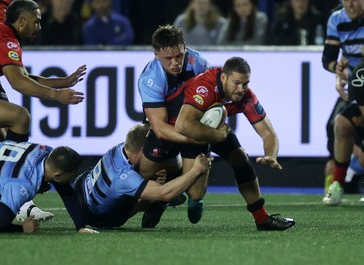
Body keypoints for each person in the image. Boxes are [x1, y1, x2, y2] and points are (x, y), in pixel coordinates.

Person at [0, 0, 83, 224]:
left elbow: (24, 77)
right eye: (36, 22)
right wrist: (57, 96)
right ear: (21, 22)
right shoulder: (5, 41)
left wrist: (63, 82)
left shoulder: (2, 35)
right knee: (20, 117)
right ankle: (18, 173)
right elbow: (19, 83)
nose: (39, 27)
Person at [173, 57, 295, 231]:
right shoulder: (205, 87)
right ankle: (167, 197)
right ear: (223, 78)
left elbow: (269, 133)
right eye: (237, 83)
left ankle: (262, 218)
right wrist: (216, 135)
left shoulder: (246, 96)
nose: (241, 89)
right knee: (195, 193)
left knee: (240, 158)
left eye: (245, 84)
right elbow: (184, 125)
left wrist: (271, 155)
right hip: (188, 132)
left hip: (214, 130)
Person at [137, 24, 211, 227]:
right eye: (168, 58)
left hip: (191, 123)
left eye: (179, 55)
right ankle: (164, 198)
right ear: (156, 54)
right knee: (145, 172)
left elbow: (211, 101)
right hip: (167, 130)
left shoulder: (198, 62)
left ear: (184, 47)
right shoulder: (150, 79)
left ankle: (183, 194)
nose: (176, 62)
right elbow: (160, 128)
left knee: (196, 194)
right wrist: (196, 137)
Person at [72, 123, 212, 228]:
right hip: (95, 216)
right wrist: (197, 170)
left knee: (141, 181)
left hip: (81, 186)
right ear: (144, 149)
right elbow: (164, 193)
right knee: (156, 194)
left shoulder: (121, 148)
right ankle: (155, 206)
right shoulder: (125, 177)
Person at [0, 140, 98, 234]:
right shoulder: (24, 184)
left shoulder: (45, 152)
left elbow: (66, 191)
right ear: (57, 175)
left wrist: (80, 226)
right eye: (71, 175)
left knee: (0, 180)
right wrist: (23, 228)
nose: (71, 179)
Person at [321, 0, 364, 205]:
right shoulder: (337, 19)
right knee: (339, 125)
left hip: (358, 82)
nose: (351, 4)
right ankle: (337, 185)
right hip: (356, 86)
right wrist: (338, 70)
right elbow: (327, 59)